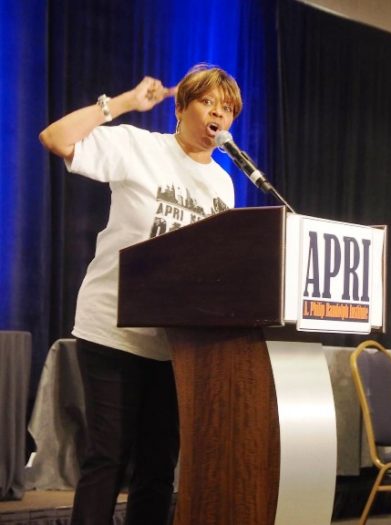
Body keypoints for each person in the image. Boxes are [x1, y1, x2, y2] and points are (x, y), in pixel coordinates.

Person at [39, 63, 243, 524]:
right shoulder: (139, 147)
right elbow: (55, 138)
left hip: (176, 344)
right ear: (182, 106)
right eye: (208, 102)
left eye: (228, 109)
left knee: (157, 465)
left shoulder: (224, 184)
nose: (218, 115)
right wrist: (124, 102)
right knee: (108, 458)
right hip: (113, 328)